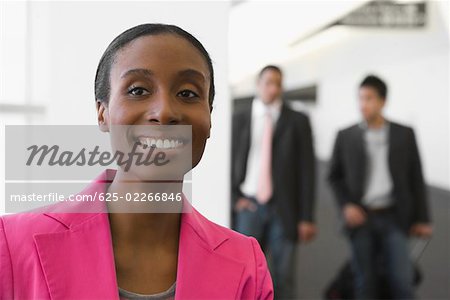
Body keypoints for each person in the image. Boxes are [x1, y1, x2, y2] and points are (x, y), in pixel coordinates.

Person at [0, 23, 273, 299]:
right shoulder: (12, 245)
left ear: (209, 116)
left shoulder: (247, 266)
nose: (164, 112)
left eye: (188, 93)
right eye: (138, 90)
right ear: (102, 113)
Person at [328, 75, 432, 299]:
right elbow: (333, 177)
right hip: (361, 217)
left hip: (394, 217)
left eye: (369, 98)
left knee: (402, 282)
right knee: (365, 283)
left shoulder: (404, 134)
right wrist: (346, 205)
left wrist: (423, 218)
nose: (363, 104)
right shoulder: (346, 136)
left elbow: (415, 177)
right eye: (360, 98)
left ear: (383, 101)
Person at [231, 65, 316, 298]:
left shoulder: (297, 120)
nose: (273, 88)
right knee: (243, 274)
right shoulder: (239, 118)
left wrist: (307, 216)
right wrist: (234, 199)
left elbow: (307, 170)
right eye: (268, 82)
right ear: (258, 85)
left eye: (278, 83)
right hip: (248, 205)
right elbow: (228, 161)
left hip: (284, 208)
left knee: (283, 277)